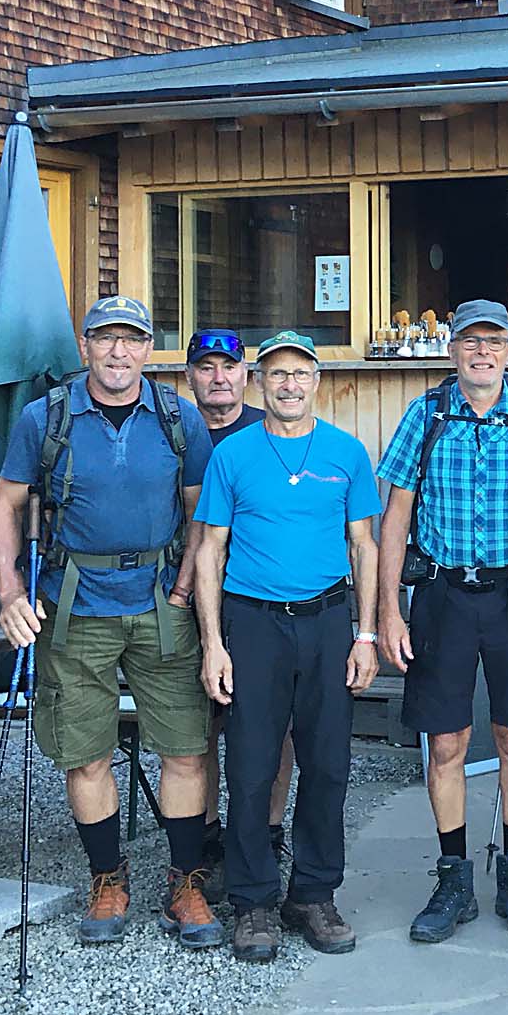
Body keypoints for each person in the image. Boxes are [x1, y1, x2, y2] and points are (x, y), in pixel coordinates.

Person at [0, 295, 221, 950]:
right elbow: (4, 506)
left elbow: (202, 516)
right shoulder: (46, 418)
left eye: (132, 339)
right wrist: (10, 591)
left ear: (149, 349)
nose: (119, 352)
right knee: (84, 753)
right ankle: (107, 878)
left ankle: (185, 882)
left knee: (185, 748)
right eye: (106, 338)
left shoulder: (179, 418)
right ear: (85, 345)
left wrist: (183, 589)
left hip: (161, 606)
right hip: (73, 607)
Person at [375, 299, 508, 943]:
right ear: (453, 349)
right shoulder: (425, 415)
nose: (482, 352)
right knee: (446, 742)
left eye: (493, 342)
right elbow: (396, 515)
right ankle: (453, 877)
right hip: (443, 595)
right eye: (470, 341)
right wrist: (389, 610)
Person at [193, 331, 380, 962]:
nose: (290, 385)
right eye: (277, 374)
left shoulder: (346, 453)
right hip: (253, 622)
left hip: (327, 622)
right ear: (260, 383)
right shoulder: (232, 455)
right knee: (251, 765)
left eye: (301, 374)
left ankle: (314, 894)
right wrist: (213, 644)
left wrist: (365, 633)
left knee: (328, 764)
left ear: (317, 382)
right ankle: (252, 901)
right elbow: (210, 550)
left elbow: (364, 546)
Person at [181, 327, 291, 901]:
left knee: (273, 724)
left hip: (259, 601)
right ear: (189, 376)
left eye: (228, 367)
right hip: (189, 599)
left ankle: (268, 832)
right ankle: (206, 839)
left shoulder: (271, 430)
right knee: (198, 722)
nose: (218, 377)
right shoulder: (175, 430)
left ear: (246, 375)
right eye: (206, 367)